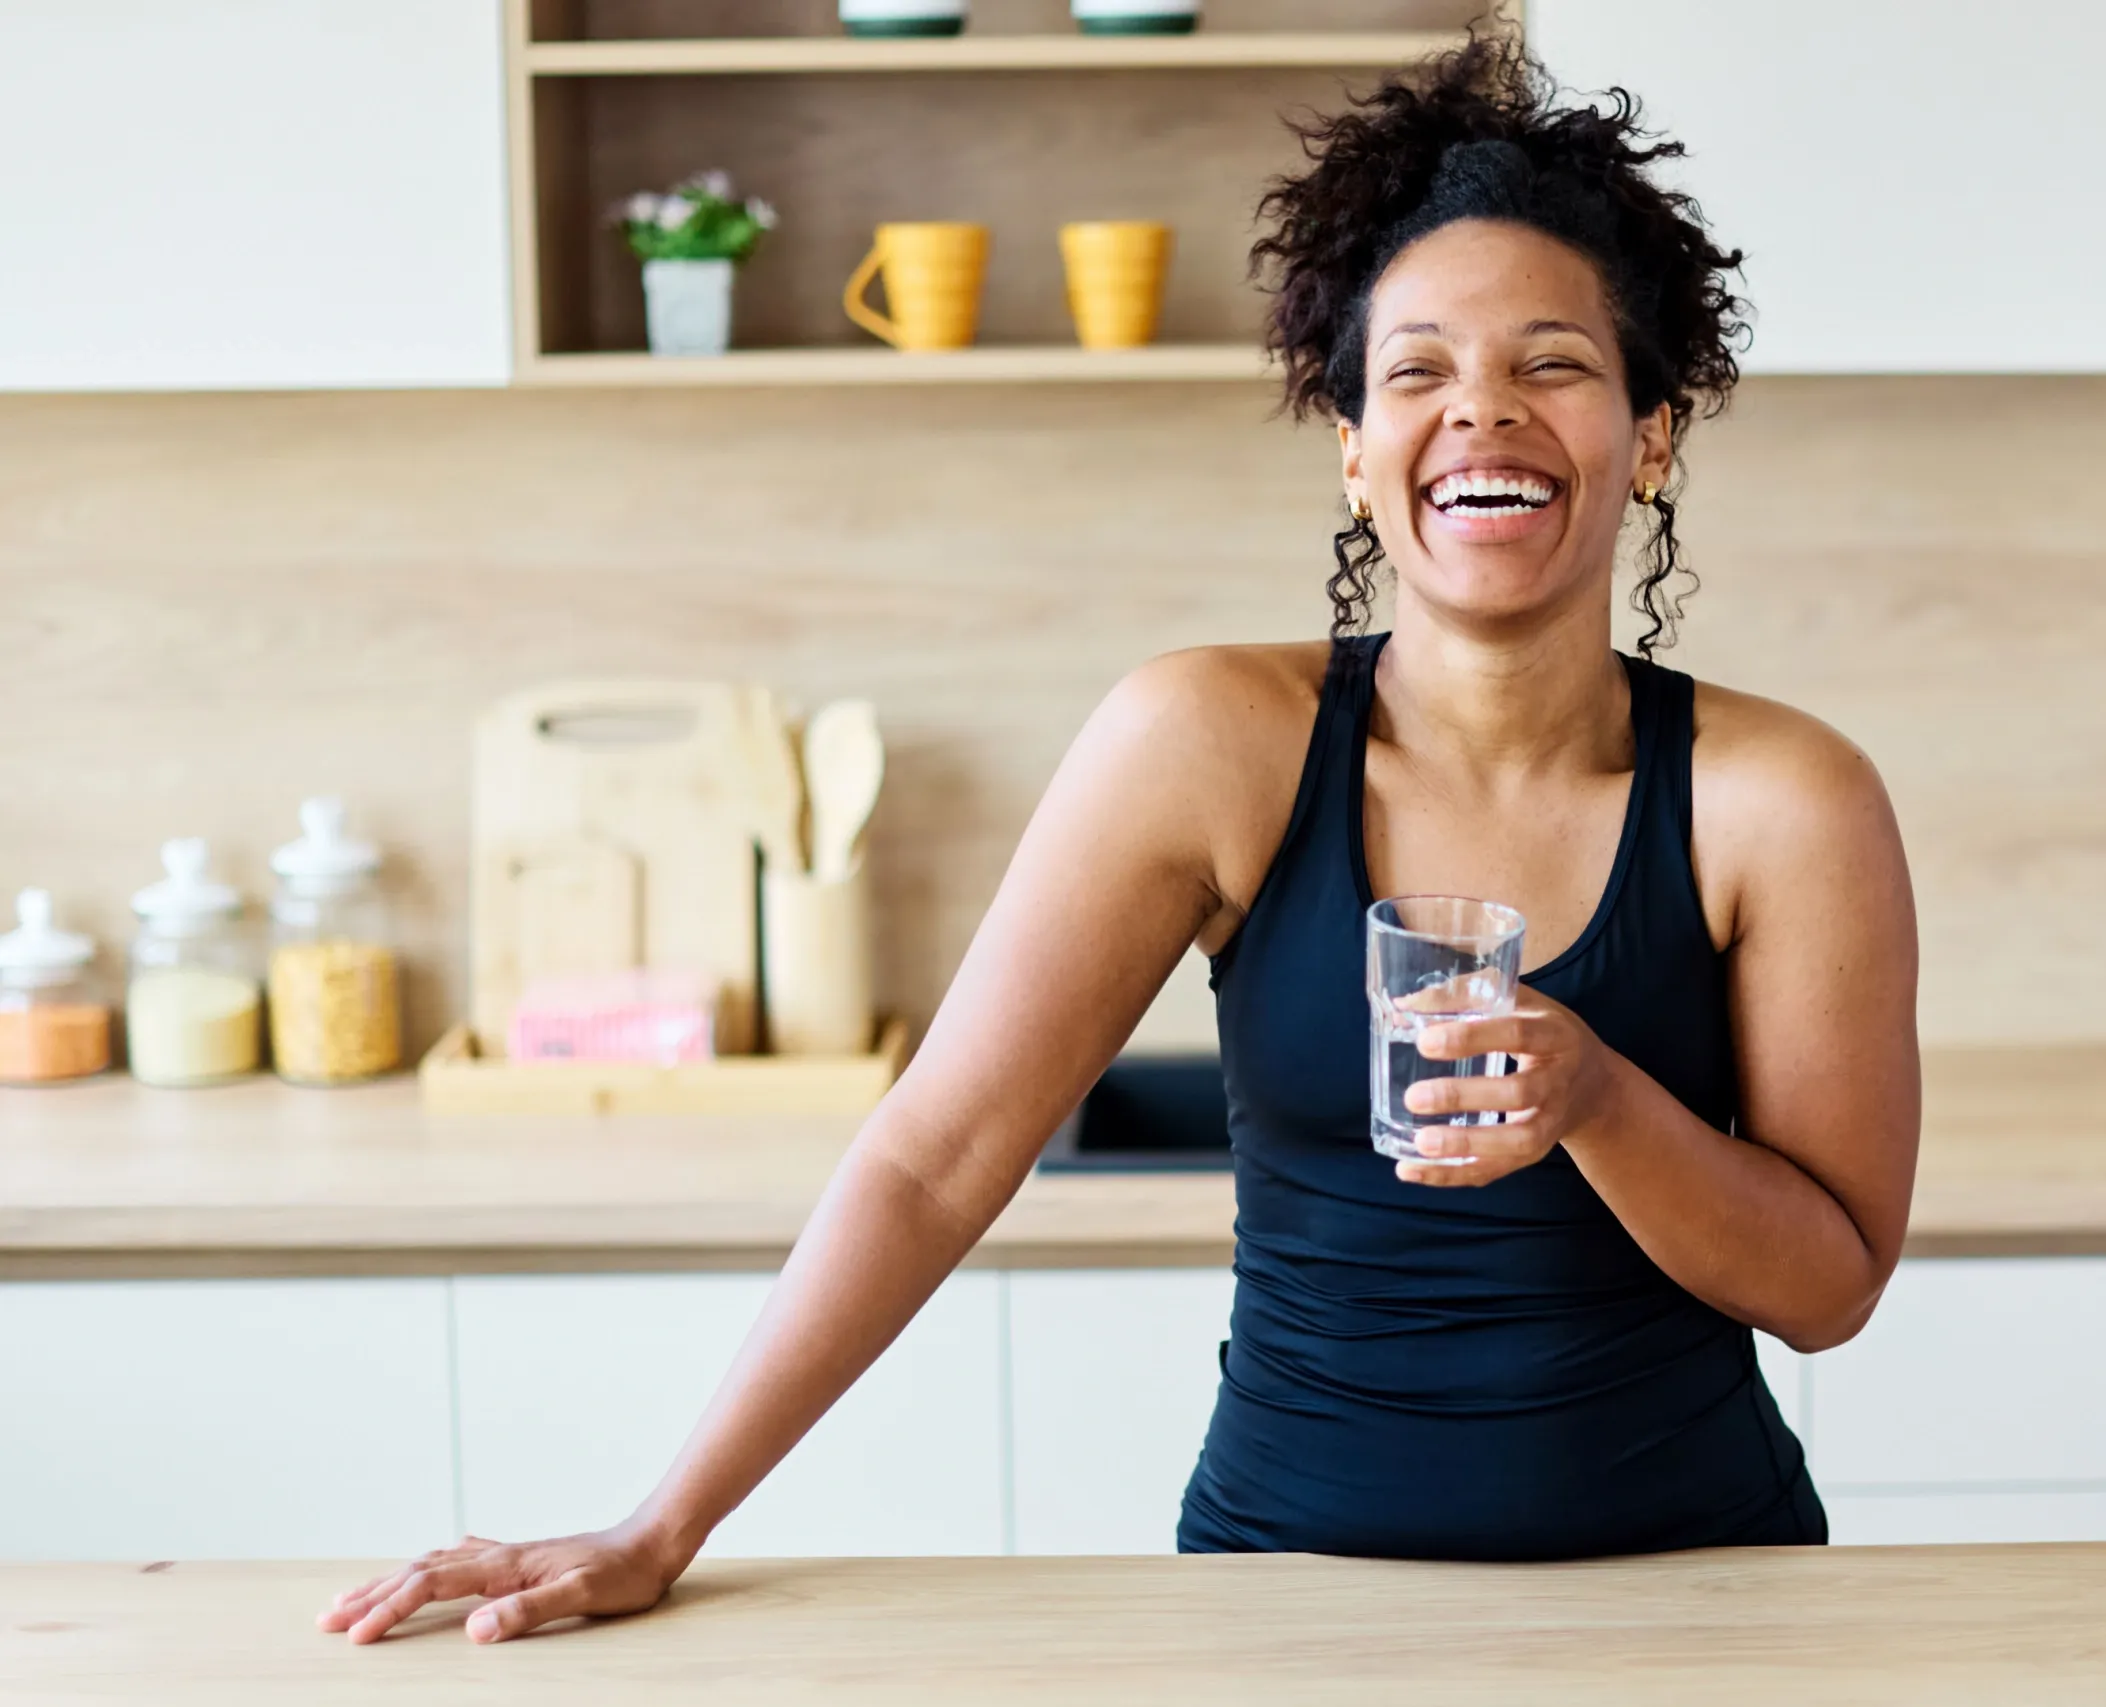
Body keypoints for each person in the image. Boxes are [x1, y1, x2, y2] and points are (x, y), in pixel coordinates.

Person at [322, 31, 1919, 1645]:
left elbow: (1832, 1285)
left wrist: (1596, 1098)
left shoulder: (1783, 799)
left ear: (1650, 435)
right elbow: (935, 1156)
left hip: (1705, 1604)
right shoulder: (1205, 741)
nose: (1482, 413)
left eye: (1555, 363)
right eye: (1417, 371)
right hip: (1279, 1599)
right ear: (1354, 450)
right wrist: (662, 1523)